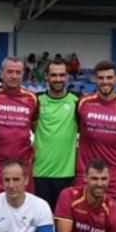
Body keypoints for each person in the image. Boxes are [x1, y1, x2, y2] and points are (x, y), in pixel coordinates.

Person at [74, 60, 116, 199]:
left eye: (109, 77)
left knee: (114, 218)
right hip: (86, 174)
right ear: (94, 79)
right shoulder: (83, 103)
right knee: (82, 218)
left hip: (114, 177)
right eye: (101, 78)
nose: (105, 82)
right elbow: (76, 127)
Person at [0, 56, 39, 196]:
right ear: (1, 73)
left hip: (23, 165)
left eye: (18, 72)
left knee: (24, 210)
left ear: (23, 74)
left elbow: (34, 127)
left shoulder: (32, 99)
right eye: (10, 72)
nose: (14, 76)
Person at [33, 59, 78, 210]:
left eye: (61, 75)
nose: (58, 79)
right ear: (46, 76)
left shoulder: (77, 102)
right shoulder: (37, 101)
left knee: (63, 222)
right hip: (40, 173)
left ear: (67, 77)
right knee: (42, 222)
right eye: (53, 75)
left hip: (66, 174)